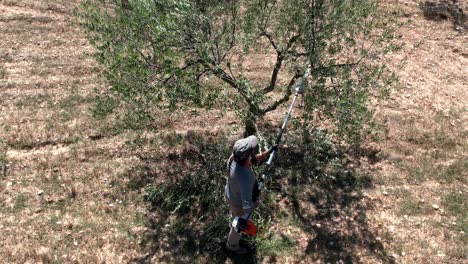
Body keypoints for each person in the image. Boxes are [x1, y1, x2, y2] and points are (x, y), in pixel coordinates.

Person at [225, 135, 277, 254]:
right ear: (247, 156)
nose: (252, 155)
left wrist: (267, 152)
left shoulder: (234, 158)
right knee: (239, 224)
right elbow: (247, 207)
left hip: (231, 192)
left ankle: (234, 220)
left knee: (235, 216)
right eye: (251, 153)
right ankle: (232, 245)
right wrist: (256, 202)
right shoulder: (245, 178)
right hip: (238, 205)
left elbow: (251, 161)